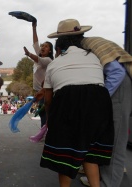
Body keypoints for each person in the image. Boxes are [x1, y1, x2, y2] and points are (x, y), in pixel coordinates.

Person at [38, 19, 116, 187]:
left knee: (66, 155)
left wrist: (51, 119)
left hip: (68, 100)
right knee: (90, 153)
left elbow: (49, 99)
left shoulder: (55, 63)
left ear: (58, 47)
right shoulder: (94, 57)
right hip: (100, 101)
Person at [68, 20, 132, 187]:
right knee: (104, 137)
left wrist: (100, 99)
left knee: (116, 140)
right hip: (114, 87)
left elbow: (117, 73)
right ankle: (100, 178)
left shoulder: (89, 46)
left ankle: (109, 184)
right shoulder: (89, 43)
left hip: (119, 88)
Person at [23, 21, 54, 143]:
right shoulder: (40, 58)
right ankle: (45, 132)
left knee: (44, 112)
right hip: (39, 90)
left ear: (50, 51)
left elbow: (38, 58)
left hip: (47, 90)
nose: (42, 47)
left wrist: (28, 54)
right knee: (42, 112)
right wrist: (34, 27)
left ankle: (46, 133)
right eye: (43, 46)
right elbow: (36, 43)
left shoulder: (47, 60)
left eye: (46, 46)